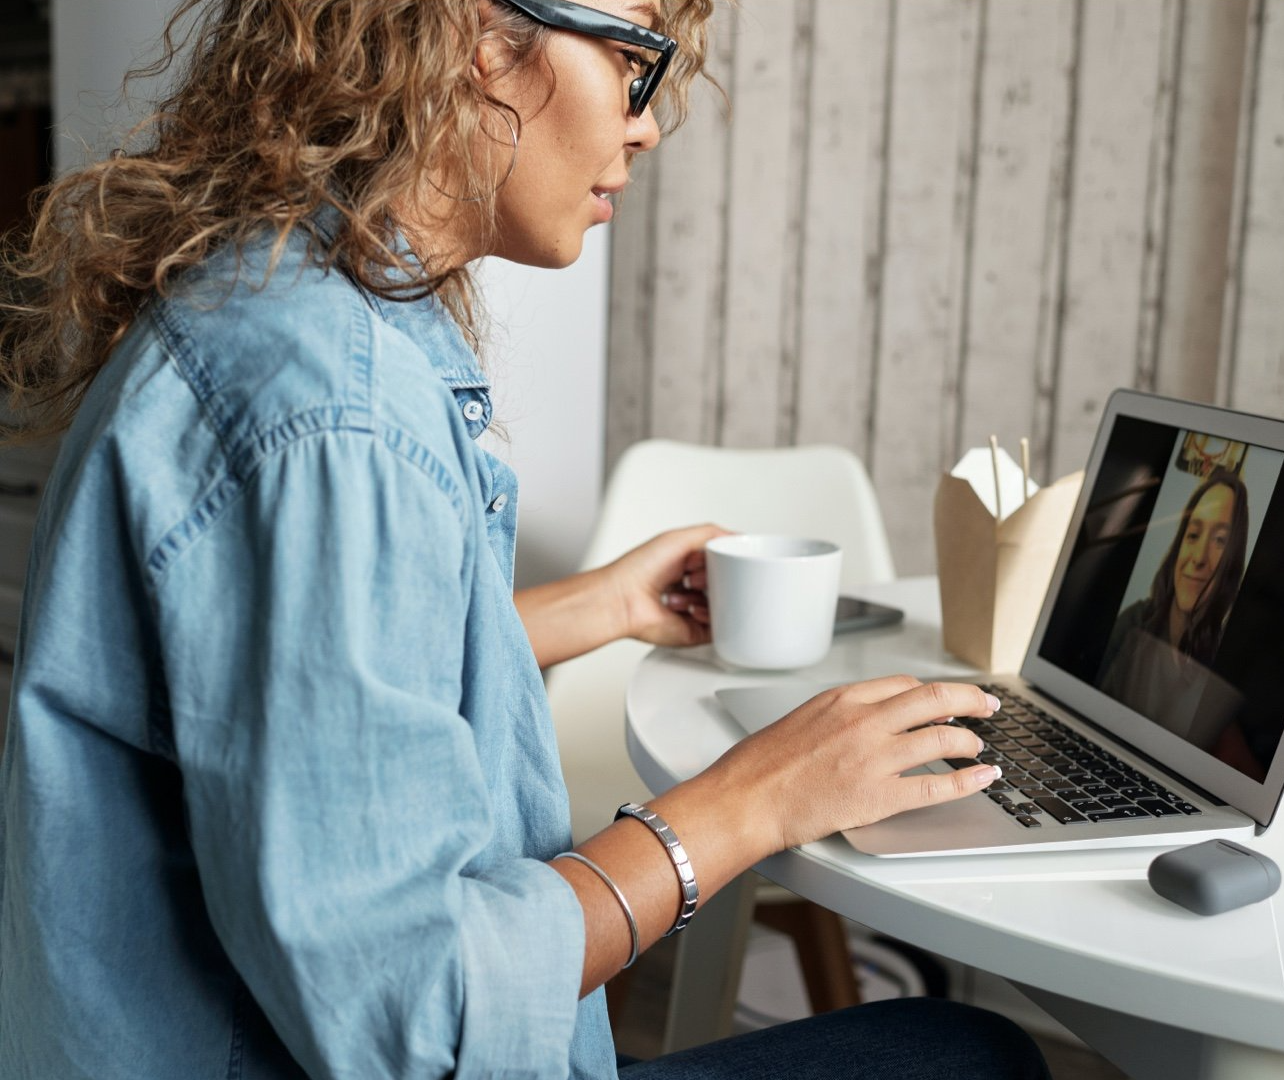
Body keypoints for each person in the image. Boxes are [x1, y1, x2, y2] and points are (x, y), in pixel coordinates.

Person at [0, 2, 1051, 1077]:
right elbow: (417, 1017)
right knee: (970, 1060)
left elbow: (309, 697)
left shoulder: (275, 304)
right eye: (633, 56)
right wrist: (753, 802)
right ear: (476, 35)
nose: (646, 124)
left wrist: (604, 605)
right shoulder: (334, 416)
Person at [1097, 469, 1250, 744]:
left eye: (1219, 540)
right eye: (1193, 534)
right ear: (1179, 543)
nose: (1199, 557)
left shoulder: (1225, 665)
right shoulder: (1132, 625)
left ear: (1233, 561)